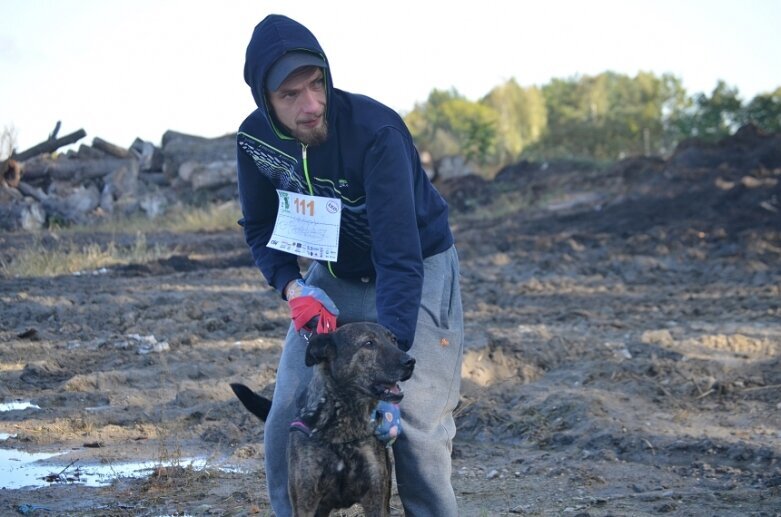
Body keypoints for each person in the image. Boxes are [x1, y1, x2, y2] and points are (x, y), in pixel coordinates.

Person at [237, 14, 464, 516]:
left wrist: (390, 381)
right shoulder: (255, 140)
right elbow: (259, 226)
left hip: (415, 268)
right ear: (264, 99)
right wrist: (294, 289)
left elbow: (399, 256)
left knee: (415, 427)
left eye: (316, 84)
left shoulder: (375, 132)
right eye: (290, 95)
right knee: (283, 420)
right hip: (333, 275)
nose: (311, 104)